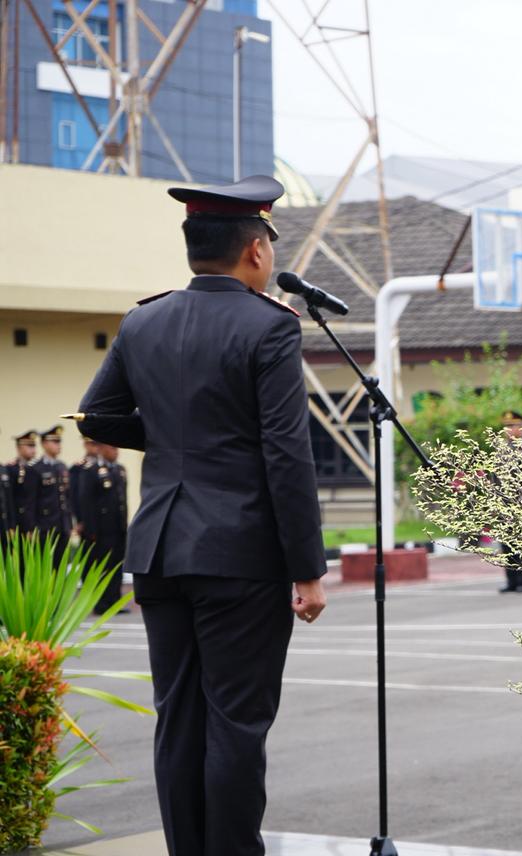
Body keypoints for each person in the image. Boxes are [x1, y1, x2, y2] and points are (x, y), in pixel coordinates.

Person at [75, 174, 327, 856]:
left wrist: (173, 433)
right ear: (255, 250)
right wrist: (307, 570)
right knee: (236, 724)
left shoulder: (143, 320)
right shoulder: (270, 326)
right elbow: (286, 455)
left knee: (179, 719)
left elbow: (96, 416)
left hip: (159, 552)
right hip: (239, 557)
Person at [76, 442, 130, 614]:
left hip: (117, 529)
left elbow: (122, 502)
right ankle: (101, 603)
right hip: (100, 531)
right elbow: (86, 501)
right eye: (112, 447)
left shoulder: (119, 470)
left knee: (116, 566)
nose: (116, 451)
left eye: (117, 448)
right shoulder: (91, 470)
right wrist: (90, 531)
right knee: (101, 566)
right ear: (102, 448)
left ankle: (114, 601)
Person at [496, 410, 522, 594]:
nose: (509, 430)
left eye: (513, 426)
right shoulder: (501, 450)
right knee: (507, 545)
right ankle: (511, 580)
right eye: (507, 426)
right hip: (505, 505)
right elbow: (495, 478)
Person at [34, 426, 72, 562]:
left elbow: (67, 498)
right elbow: (32, 500)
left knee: (61, 565)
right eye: (55, 442)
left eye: (59, 442)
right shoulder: (36, 468)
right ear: (44, 444)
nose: (59, 445)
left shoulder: (62, 467)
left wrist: (69, 524)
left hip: (63, 526)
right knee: (46, 563)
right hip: (45, 527)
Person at [8, 430, 39, 539]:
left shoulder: (36, 470)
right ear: (19, 447)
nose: (33, 450)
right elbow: (10, 500)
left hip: (35, 524)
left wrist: (33, 526)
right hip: (17, 523)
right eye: (29, 446)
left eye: (34, 446)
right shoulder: (11, 470)